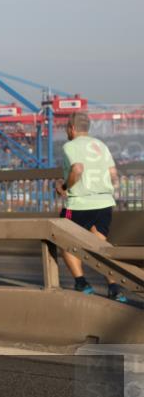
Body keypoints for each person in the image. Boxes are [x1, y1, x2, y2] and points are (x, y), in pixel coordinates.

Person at [55, 112, 127, 303]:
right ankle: (114, 287)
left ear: (71, 128)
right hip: (104, 203)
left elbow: (77, 169)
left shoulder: (70, 146)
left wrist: (63, 186)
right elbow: (113, 174)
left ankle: (81, 282)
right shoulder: (101, 145)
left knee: (63, 239)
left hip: (79, 203)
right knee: (100, 246)